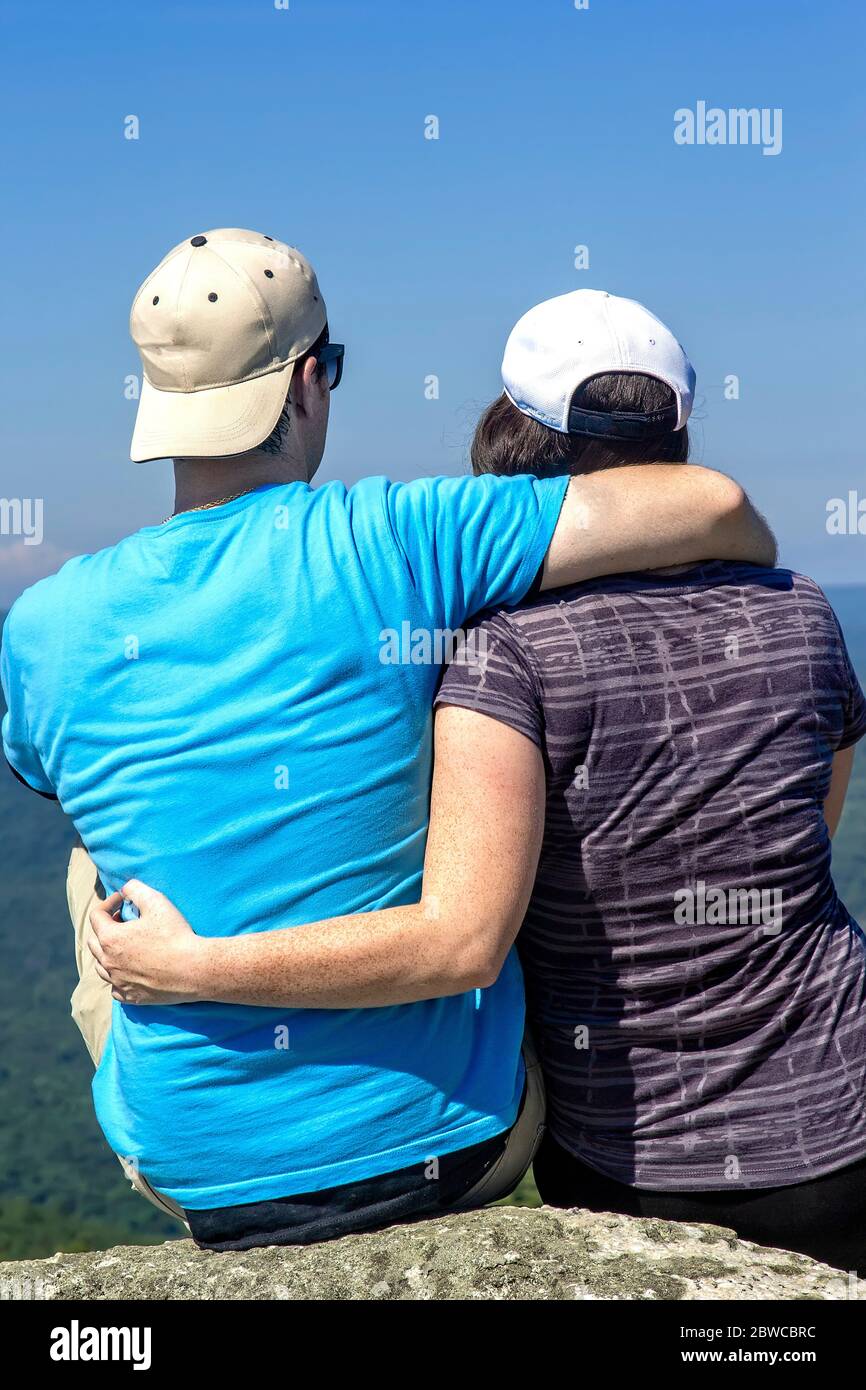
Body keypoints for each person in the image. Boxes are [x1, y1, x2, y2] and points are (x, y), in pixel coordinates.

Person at [2, 239, 774, 1250]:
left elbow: (49, 769)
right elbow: (710, 506)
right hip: (453, 1149)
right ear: (308, 380)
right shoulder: (399, 536)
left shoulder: (41, 625)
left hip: (189, 1168)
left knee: (87, 859)